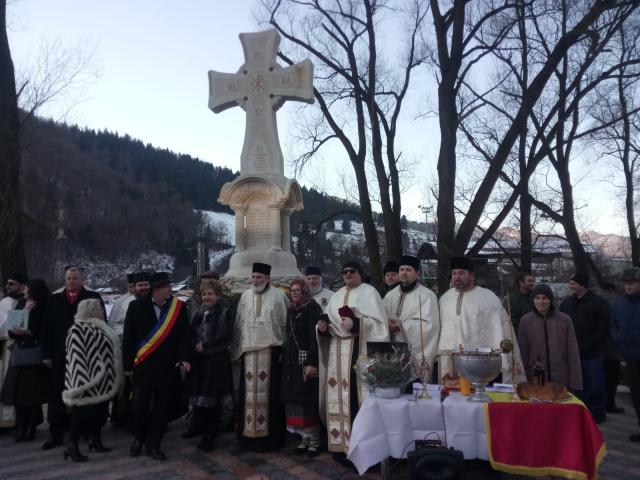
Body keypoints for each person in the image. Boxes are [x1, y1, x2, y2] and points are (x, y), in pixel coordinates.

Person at [319, 260, 388, 461]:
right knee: (340, 400)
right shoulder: (337, 295)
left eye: (352, 271)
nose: (348, 274)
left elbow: (380, 327)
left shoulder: (370, 293)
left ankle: (362, 450)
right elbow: (332, 326)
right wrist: (323, 329)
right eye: (345, 272)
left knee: (358, 402)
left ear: (360, 273)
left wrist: (357, 323)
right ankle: (341, 447)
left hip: (360, 356)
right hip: (337, 359)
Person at [122, 272, 191, 461]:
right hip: (143, 367)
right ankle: (139, 438)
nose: (170, 290)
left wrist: (184, 358)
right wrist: (127, 365)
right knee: (139, 407)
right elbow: (128, 337)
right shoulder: (136, 307)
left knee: (162, 408)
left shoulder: (178, 307)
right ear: (156, 289)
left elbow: (185, 336)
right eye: (166, 287)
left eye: (170, 286)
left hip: (167, 367)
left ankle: (154, 443)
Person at [41, 266, 105, 450]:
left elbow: (101, 325)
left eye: (75, 278)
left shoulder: (93, 298)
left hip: (87, 356)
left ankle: (89, 432)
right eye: (68, 278)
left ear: (82, 279)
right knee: (58, 395)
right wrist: (46, 354)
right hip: (61, 355)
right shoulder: (54, 299)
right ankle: (56, 434)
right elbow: (47, 329)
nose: (71, 281)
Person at [437, 257, 524, 386]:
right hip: (449, 361)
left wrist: (506, 358)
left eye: (461, 273)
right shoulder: (445, 298)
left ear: (471, 275)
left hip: (478, 362)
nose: (457, 277)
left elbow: (500, 328)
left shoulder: (487, 297)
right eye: (454, 273)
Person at [232, 262, 288, 452]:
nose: (255, 280)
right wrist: (238, 350)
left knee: (270, 397)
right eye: (253, 277)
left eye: (259, 277)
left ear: (268, 279)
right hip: (248, 353)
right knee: (247, 396)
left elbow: (285, 323)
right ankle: (247, 438)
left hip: (271, 352)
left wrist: (283, 350)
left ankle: (270, 439)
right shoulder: (245, 296)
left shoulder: (279, 296)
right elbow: (239, 324)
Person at [61, 299, 122, 462]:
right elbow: (76, 357)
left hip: (104, 381)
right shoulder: (77, 328)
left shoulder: (102, 328)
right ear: (91, 312)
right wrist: (84, 382)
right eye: (99, 310)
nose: (102, 312)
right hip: (87, 380)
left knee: (100, 413)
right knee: (80, 415)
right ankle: (71, 446)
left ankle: (95, 440)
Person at [185, 279, 234, 452]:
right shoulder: (200, 312)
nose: (206, 297)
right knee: (199, 397)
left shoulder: (224, 312)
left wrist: (205, 346)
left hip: (216, 361)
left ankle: (210, 435)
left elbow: (227, 337)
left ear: (217, 295)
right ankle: (199, 426)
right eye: (204, 294)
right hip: (201, 361)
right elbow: (191, 332)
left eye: (210, 294)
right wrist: (194, 344)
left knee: (212, 400)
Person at [0, 279, 49, 441]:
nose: (25, 290)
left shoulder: (44, 304)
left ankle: (31, 426)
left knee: (32, 395)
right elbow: (12, 326)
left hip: (34, 354)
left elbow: (45, 328)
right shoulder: (22, 303)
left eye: (27, 288)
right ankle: (21, 425)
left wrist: (30, 333)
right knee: (19, 394)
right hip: (20, 353)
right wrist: (15, 332)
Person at [560, 273, 610, 423]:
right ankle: (581, 411)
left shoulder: (599, 303)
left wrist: (589, 344)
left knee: (595, 384)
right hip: (573, 353)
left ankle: (598, 413)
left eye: (573, 283)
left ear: (582, 285)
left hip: (592, 352)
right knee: (577, 384)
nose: (571, 286)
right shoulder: (567, 303)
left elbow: (603, 327)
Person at [281, 279, 323, 456]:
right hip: (292, 360)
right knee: (295, 399)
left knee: (307, 398)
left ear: (304, 291)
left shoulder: (312, 308)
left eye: (297, 290)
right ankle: (303, 439)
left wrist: (312, 361)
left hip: (306, 358)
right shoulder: (291, 309)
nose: (294, 293)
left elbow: (315, 338)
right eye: (292, 290)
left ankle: (314, 441)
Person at [517, 284, 582, 392]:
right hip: (535, 376)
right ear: (533, 300)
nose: (541, 302)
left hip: (560, 376)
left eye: (545, 298)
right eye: (537, 298)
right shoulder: (525, 321)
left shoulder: (565, 320)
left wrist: (576, 383)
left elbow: (572, 352)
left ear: (550, 300)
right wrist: (521, 380)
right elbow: (522, 351)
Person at [383, 255, 440, 377]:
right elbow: (382, 317)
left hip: (413, 353)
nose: (404, 273)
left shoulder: (427, 296)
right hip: (391, 350)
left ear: (417, 274)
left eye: (408, 270)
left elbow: (431, 326)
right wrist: (386, 323)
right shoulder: (390, 295)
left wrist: (401, 325)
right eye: (401, 269)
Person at [610, 267, 640, 441]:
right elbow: (613, 324)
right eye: (627, 283)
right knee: (636, 395)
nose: (629, 287)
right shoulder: (619, 303)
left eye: (633, 283)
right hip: (630, 357)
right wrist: (618, 338)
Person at [0, 273, 27, 429]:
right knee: (7, 382)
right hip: (7, 346)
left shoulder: (28, 302)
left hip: (24, 347)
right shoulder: (4, 303)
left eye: (12, 283)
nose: (8, 286)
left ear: (22, 286)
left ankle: (22, 420)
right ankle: (6, 421)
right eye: (8, 283)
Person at [599, 282, 625, 414]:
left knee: (599, 377)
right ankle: (610, 404)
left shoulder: (594, 300)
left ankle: (600, 404)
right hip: (612, 347)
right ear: (612, 290)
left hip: (596, 347)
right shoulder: (616, 302)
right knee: (612, 377)